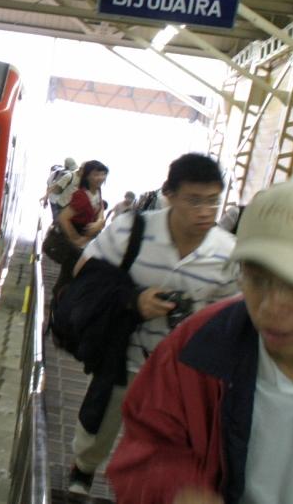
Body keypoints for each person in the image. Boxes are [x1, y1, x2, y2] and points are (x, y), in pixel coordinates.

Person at [108, 179, 293, 504]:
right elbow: (146, 448)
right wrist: (177, 492)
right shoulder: (196, 349)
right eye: (255, 278)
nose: (270, 307)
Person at [66, 153, 238, 498]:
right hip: (124, 352)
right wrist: (134, 300)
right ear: (169, 194)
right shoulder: (132, 230)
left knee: (165, 439)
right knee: (104, 419)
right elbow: (83, 274)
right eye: (194, 200)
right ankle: (82, 471)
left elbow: (229, 312)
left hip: (182, 368)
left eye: (213, 201)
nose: (205, 211)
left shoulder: (227, 252)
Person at [49, 160, 109, 296]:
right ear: (87, 176)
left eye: (103, 174)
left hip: (86, 241)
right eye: (96, 174)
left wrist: (100, 222)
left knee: (75, 275)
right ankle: (59, 301)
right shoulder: (81, 196)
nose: (101, 177)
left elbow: (100, 208)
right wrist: (76, 239)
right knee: (68, 276)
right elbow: (63, 218)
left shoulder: (97, 190)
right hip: (76, 243)